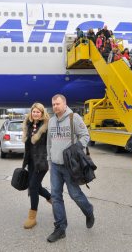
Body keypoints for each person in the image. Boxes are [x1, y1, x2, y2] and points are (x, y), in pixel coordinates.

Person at [46, 94, 95, 243]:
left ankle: (89, 211)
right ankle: (60, 228)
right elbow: (49, 142)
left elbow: (85, 136)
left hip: (70, 166)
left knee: (75, 194)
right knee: (55, 196)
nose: (55, 106)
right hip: (55, 165)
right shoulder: (52, 121)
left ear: (64, 104)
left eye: (57, 104)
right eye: (53, 104)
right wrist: (49, 159)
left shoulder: (74, 118)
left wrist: (74, 149)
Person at [22, 103, 52, 229]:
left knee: (33, 186)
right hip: (31, 162)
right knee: (35, 186)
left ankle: (32, 216)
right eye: (34, 111)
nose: (35, 113)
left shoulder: (46, 127)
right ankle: (52, 199)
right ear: (31, 113)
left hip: (42, 162)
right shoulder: (28, 125)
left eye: (38, 112)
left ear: (42, 113)